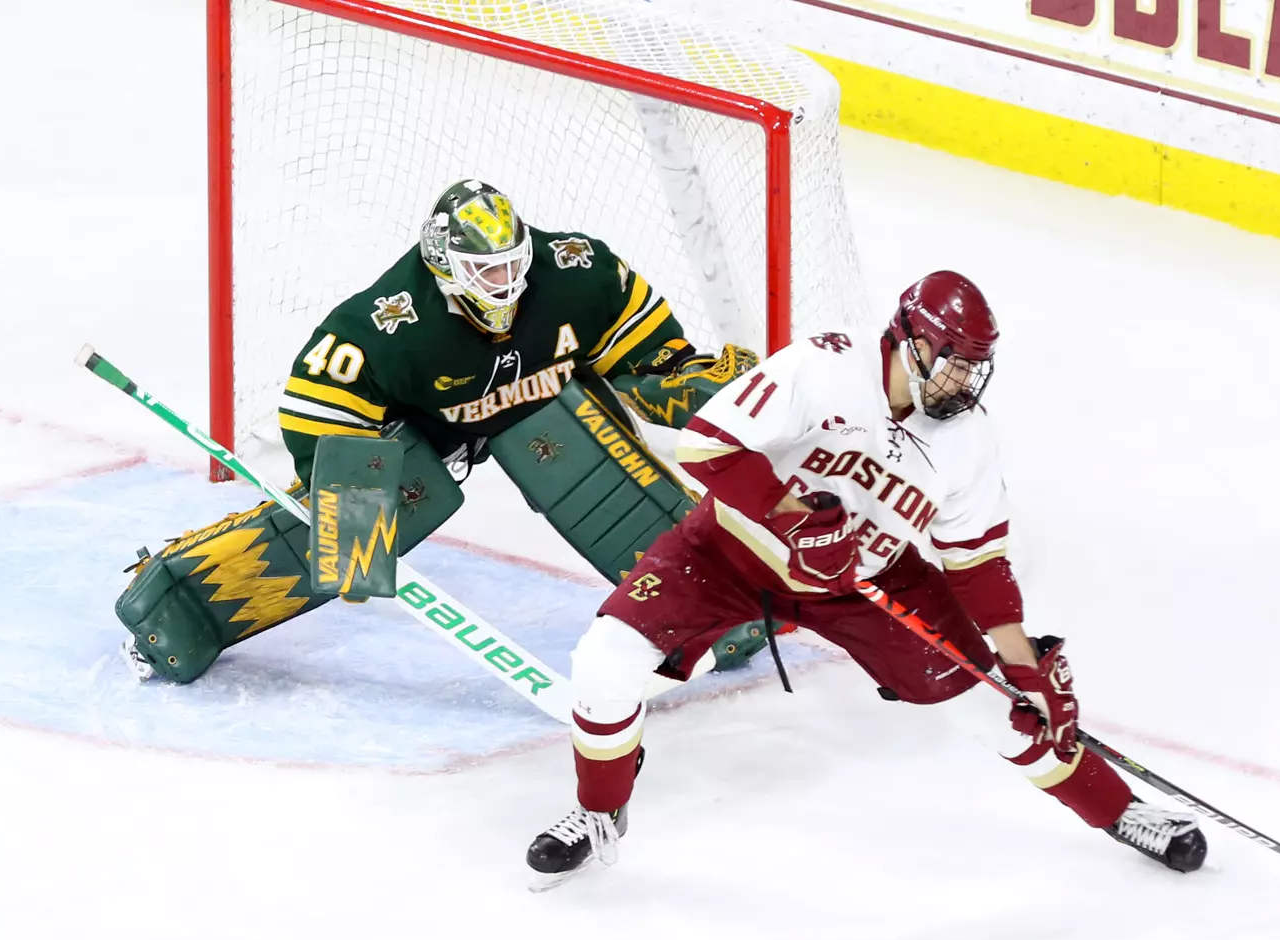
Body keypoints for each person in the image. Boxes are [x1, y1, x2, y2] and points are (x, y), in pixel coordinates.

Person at [525, 271, 1207, 889]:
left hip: (867, 582)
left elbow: (977, 562)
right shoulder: (824, 368)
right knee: (604, 662)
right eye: (952, 366)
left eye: (975, 371)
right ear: (909, 342)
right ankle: (599, 810)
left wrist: (1019, 662)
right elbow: (708, 445)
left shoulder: (969, 440)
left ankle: (1125, 812)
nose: (962, 385)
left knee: (1006, 711)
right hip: (726, 553)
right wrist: (793, 516)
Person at [116, 178, 767, 685]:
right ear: (445, 264)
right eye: (488, 272)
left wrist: (678, 380)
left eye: (515, 264)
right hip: (424, 434)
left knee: (580, 457)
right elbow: (322, 397)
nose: (508, 284)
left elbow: (638, 332)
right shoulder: (389, 324)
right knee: (357, 530)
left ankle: (708, 606)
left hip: (532, 405)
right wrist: (347, 495)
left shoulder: (575, 269)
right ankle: (179, 604)